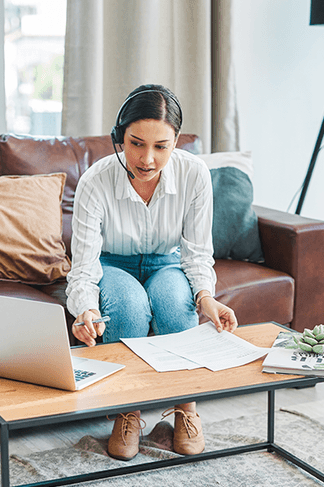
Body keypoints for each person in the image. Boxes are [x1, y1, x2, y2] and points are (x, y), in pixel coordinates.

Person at [66, 84, 238, 461]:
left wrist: (206, 298)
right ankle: (128, 410)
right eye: (136, 143)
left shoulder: (195, 175)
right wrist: (86, 310)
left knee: (177, 307)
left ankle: (185, 409)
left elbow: (195, 252)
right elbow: (84, 265)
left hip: (167, 261)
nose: (147, 159)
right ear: (119, 138)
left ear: (176, 142)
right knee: (127, 307)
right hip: (114, 263)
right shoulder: (96, 180)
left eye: (161, 146)